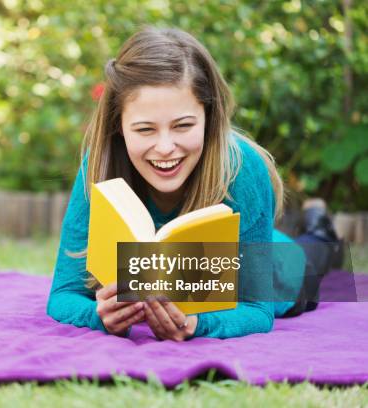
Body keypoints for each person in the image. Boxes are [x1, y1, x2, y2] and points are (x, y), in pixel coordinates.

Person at [46, 26, 341, 341]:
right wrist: (97, 316)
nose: (164, 147)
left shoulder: (244, 167)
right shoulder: (100, 165)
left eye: (183, 125)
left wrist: (197, 325)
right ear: (119, 127)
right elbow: (63, 295)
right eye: (145, 129)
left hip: (281, 270)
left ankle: (322, 230)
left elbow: (257, 311)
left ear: (208, 116)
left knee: (314, 257)